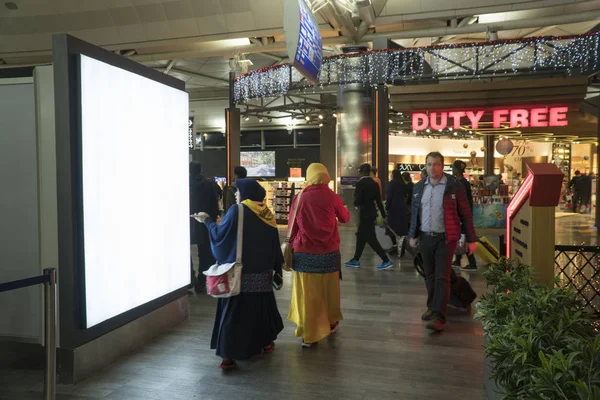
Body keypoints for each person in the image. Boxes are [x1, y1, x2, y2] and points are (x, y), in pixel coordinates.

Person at [194, 179, 284, 369]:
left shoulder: (239, 210)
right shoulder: (267, 212)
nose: (235, 195)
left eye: (237, 192)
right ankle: (265, 343)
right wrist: (277, 266)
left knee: (233, 315)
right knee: (261, 311)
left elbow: (221, 235)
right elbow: (274, 242)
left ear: (245, 193)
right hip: (263, 274)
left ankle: (228, 355)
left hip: (241, 274)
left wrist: (207, 221)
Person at [408, 152, 476, 332]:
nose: (432, 168)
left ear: (442, 165)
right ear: (426, 166)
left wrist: (471, 239)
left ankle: (439, 315)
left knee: (442, 276)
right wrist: (412, 235)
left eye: (436, 164)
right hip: (424, 236)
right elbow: (415, 212)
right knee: (429, 274)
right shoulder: (419, 187)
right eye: (429, 165)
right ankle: (432, 307)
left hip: (446, 238)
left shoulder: (453, 186)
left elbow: (466, 214)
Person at [288, 163, 351, 347]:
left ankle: (308, 333)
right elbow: (346, 218)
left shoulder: (300, 198)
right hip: (329, 252)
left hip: (304, 253)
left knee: (307, 294)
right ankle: (331, 322)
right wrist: (343, 209)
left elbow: (292, 227)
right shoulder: (333, 197)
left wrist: (289, 245)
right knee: (329, 291)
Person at [345, 163, 393, 271]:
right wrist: (384, 215)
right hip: (372, 213)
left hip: (364, 213)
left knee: (371, 239)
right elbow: (379, 201)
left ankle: (386, 260)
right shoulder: (374, 183)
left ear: (361, 172)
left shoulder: (360, 183)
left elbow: (358, 199)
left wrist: (356, 203)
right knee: (361, 237)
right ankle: (355, 259)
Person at [189, 163, 218, 294]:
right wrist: (211, 219)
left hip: (187, 222)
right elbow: (214, 203)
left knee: (184, 253)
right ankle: (202, 281)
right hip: (203, 220)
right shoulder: (209, 184)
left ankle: (189, 279)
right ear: (201, 170)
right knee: (205, 253)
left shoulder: (184, 183)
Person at [451, 160, 477, 271]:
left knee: (464, 238)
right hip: (461, 215)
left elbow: (464, 202)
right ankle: (457, 260)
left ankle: (472, 263)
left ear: (456, 169)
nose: (452, 169)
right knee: (460, 237)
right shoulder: (461, 182)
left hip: (462, 216)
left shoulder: (462, 184)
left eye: (453, 167)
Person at [386, 169, 409, 256]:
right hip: (402, 209)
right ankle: (400, 248)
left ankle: (395, 247)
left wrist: (387, 207)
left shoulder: (392, 183)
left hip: (393, 209)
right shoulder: (402, 183)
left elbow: (389, 197)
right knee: (400, 231)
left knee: (392, 229)